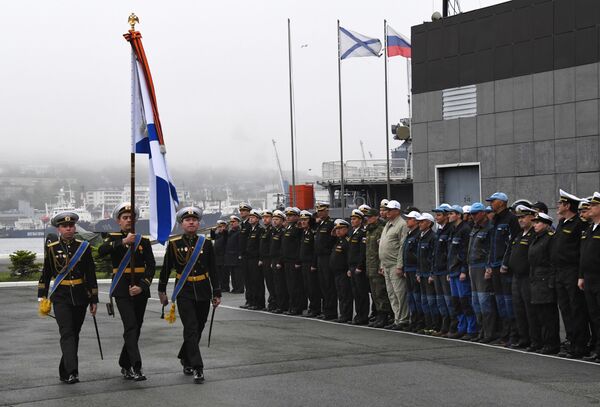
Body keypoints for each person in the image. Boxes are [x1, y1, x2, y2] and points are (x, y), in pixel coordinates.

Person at [158, 207, 221, 384]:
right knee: (191, 327)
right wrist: (161, 291)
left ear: (198, 222)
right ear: (181, 224)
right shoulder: (174, 243)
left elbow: (213, 269)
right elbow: (166, 269)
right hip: (184, 290)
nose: (191, 222)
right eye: (187, 220)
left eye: (194, 219)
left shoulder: (206, 243)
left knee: (199, 327)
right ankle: (197, 367)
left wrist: (216, 292)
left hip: (202, 289)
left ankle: (185, 357)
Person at [37, 211, 98, 384]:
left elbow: (90, 274)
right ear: (59, 229)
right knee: (67, 333)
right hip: (61, 297)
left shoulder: (83, 247)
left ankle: (65, 370)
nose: (69, 229)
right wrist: (42, 295)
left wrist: (94, 299)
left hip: (80, 296)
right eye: (65, 226)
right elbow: (46, 273)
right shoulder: (52, 247)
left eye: (71, 226)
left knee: (74, 334)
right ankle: (72, 371)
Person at [98, 202, 156, 381]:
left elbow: (151, 265)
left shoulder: (143, 241)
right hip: (122, 289)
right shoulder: (112, 238)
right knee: (130, 326)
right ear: (118, 221)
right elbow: (101, 251)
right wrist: (123, 241)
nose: (128, 220)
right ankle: (136, 366)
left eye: (131, 217)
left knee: (136, 328)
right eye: (125, 218)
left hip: (140, 289)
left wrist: (143, 285)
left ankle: (125, 363)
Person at [552, 190, 591, 359]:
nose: (558, 206)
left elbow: (580, 251)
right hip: (559, 271)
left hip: (572, 270)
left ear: (567, 205)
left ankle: (580, 345)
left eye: (561, 203)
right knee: (565, 308)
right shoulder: (562, 223)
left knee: (576, 309)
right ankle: (571, 341)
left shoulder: (579, 223)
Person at [486, 192, 520, 346]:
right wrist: (489, 264)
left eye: (493, 201)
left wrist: (506, 263)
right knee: (500, 302)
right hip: (494, 266)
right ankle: (504, 334)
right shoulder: (494, 220)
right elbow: (491, 245)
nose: (491, 204)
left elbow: (513, 243)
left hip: (504, 267)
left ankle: (514, 334)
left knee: (508, 301)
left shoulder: (511, 219)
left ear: (502, 202)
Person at [502, 205, 536, 349]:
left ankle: (534, 340)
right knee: (519, 309)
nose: (520, 220)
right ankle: (523, 339)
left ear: (532, 217)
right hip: (516, 276)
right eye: (519, 218)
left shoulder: (534, 234)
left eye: (523, 217)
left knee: (530, 310)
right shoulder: (519, 235)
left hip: (528, 276)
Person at [528, 212, 560, 355]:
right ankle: (543, 341)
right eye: (534, 222)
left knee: (548, 315)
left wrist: (551, 282)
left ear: (546, 224)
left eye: (538, 222)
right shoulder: (537, 238)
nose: (534, 225)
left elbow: (553, 261)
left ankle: (552, 343)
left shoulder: (549, 238)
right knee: (540, 314)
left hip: (545, 279)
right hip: (536, 278)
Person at [447, 205, 476, 340]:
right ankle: (461, 327)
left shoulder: (465, 229)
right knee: (456, 301)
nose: (449, 216)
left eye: (452, 213)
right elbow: (451, 252)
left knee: (465, 300)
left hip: (460, 271)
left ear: (458, 215)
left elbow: (465, 252)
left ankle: (471, 329)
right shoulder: (453, 229)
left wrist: (464, 270)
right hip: (453, 270)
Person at [378, 200, 409, 330]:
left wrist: (400, 265)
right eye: (387, 210)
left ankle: (403, 319)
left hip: (395, 264)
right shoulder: (387, 224)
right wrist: (381, 264)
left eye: (390, 210)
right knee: (391, 293)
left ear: (397, 211)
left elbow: (402, 246)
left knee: (399, 293)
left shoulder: (402, 224)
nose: (387, 212)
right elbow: (383, 245)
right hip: (386, 265)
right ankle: (397, 318)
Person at [466, 202, 494, 343]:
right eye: (471, 214)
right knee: (476, 302)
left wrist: (488, 267)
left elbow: (491, 249)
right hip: (473, 267)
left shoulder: (489, 228)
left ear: (483, 213)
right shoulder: (474, 228)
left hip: (482, 267)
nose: (473, 216)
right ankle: (481, 330)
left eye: (475, 213)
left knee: (484, 302)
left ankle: (489, 333)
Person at [579, 192, 600, 362]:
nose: (590, 208)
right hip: (589, 277)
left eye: (593, 205)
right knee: (594, 315)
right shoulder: (589, 229)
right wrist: (581, 276)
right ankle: (597, 349)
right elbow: (583, 256)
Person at [431, 204, 455, 337]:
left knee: (449, 300)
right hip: (437, 270)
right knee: (441, 301)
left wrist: (448, 270)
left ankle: (452, 327)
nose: (436, 217)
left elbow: (450, 253)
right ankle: (444, 326)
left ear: (446, 215)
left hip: (446, 271)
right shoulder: (439, 231)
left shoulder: (450, 230)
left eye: (439, 215)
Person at [365, 208, 391, 328]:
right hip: (370, 267)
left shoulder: (380, 230)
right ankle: (379, 315)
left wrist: (381, 266)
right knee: (374, 294)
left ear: (376, 217)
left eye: (370, 217)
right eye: (367, 217)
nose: (368, 219)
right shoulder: (369, 230)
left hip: (377, 267)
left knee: (381, 292)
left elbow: (381, 250)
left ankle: (384, 316)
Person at [314, 202, 338, 320]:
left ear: (327, 211)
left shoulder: (330, 224)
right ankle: (326, 309)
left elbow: (332, 241)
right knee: (322, 285)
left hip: (327, 257)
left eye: (322, 211)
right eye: (318, 211)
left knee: (329, 285)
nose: (319, 213)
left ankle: (331, 311)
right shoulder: (320, 224)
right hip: (320, 257)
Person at [402, 210, 423, 332]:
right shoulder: (410, 234)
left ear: (415, 221)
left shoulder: (417, 235)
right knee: (410, 296)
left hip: (415, 268)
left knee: (417, 296)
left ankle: (420, 321)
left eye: (409, 219)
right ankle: (413, 320)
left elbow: (418, 254)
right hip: (408, 268)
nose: (407, 220)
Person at [416, 213, 437, 334]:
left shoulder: (432, 237)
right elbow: (419, 257)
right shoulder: (421, 236)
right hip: (421, 273)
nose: (420, 224)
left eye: (422, 222)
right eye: (419, 222)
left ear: (429, 223)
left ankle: (434, 325)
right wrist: (418, 272)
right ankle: (427, 323)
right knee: (423, 300)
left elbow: (433, 257)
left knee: (431, 300)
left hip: (428, 273)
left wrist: (431, 273)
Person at [281, 207, 304, 315]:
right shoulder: (289, 228)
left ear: (296, 217)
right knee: (290, 285)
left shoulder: (297, 229)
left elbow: (299, 246)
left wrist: (298, 261)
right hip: (287, 260)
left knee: (295, 286)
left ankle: (296, 307)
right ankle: (292, 306)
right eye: (287, 215)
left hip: (293, 261)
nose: (288, 217)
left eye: (291, 215)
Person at [347, 209, 369, 325]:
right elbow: (350, 251)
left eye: (354, 219)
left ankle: (363, 316)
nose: (352, 221)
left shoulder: (362, 233)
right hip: (352, 266)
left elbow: (362, 252)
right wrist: (349, 267)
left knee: (362, 293)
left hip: (358, 267)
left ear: (360, 220)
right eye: (351, 219)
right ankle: (358, 315)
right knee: (355, 293)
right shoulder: (352, 232)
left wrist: (360, 266)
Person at [299, 210, 321, 317]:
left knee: (313, 288)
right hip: (304, 263)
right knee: (307, 287)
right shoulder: (304, 232)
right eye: (302, 220)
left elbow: (314, 250)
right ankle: (311, 307)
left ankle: (315, 308)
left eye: (305, 220)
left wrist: (314, 264)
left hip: (310, 263)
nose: (303, 222)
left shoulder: (313, 233)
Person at [331, 219, 353, 323]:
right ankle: (342, 314)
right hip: (337, 272)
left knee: (346, 295)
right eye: (336, 229)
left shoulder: (347, 241)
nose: (338, 231)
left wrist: (349, 268)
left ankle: (346, 315)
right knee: (340, 294)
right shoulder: (338, 241)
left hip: (344, 272)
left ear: (346, 229)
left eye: (340, 229)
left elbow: (349, 257)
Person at [245, 209, 264, 310]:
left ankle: (259, 303)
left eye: (252, 217)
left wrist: (260, 258)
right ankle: (252, 301)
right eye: (250, 217)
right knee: (251, 281)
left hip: (256, 259)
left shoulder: (260, 230)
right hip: (249, 258)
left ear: (257, 219)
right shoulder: (251, 229)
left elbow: (261, 246)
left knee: (257, 281)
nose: (250, 219)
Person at [270, 210, 288, 314]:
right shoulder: (274, 231)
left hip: (279, 260)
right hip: (273, 259)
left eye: (277, 219)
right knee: (275, 284)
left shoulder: (282, 231)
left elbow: (282, 248)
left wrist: (279, 261)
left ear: (282, 221)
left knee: (281, 284)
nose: (274, 221)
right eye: (274, 219)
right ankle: (278, 304)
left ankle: (282, 305)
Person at [259, 210, 277, 311]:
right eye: (263, 217)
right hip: (265, 259)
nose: (265, 219)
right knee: (269, 283)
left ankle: (274, 303)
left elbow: (272, 247)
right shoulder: (265, 230)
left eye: (267, 217)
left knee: (272, 282)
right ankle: (272, 302)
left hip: (270, 259)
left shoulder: (272, 230)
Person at [238, 202, 252, 308]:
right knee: (247, 280)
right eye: (241, 211)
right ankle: (249, 300)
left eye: (244, 211)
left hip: (249, 256)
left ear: (248, 212)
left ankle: (252, 301)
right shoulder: (242, 224)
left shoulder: (249, 225)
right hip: (243, 256)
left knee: (251, 280)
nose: (242, 212)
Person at [224, 215, 243, 293]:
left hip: (236, 255)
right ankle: (235, 287)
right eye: (231, 222)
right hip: (230, 256)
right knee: (233, 274)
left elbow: (240, 244)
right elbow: (224, 236)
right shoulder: (231, 232)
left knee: (238, 274)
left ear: (238, 223)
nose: (232, 223)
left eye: (233, 222)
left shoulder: (239, 232)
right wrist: (226, 227)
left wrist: (240, 255)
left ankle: (240, 288)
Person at [210, 220, 228, 292]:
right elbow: (212, 237)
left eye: (221, 227)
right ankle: (220, 286)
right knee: (218, 273)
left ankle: (225, 287)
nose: (220, 228)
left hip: (223, 256)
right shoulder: (218, 235)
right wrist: (212, 230)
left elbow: (225, 234)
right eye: (219, 227)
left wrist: (224, 230)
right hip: (217, 257)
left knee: (224, 273)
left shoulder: (225, 234)